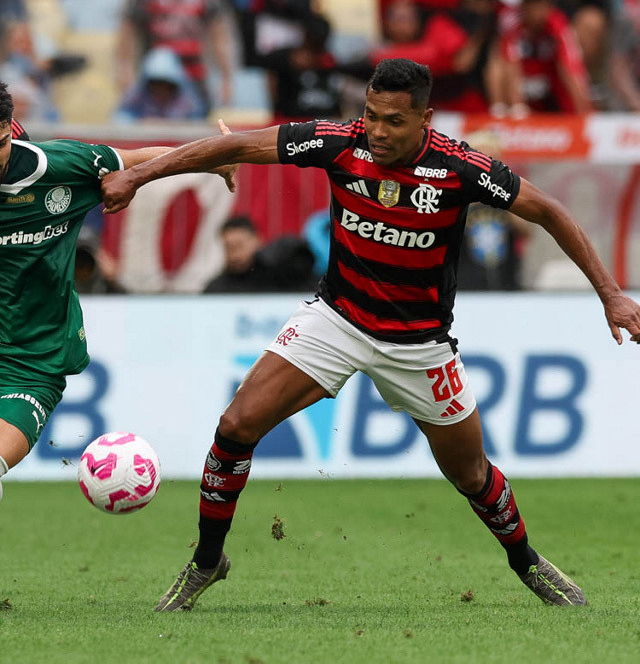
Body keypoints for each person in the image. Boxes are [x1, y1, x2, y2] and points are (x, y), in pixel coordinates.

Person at [101, 58, 640, 612]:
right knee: (236, 426)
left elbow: (548, 210)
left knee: (471, 474)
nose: (378, 131)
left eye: (394, 121)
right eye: (371, 115)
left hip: (420, 345)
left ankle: (526, 561)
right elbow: (237, 145)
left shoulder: (460, 167)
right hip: (338, 321)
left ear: (425, 119)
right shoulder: (340, 142)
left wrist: (611, 295)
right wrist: (139, 175)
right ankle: (207, 560)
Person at [0, 81, 236, 502]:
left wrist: (214, 159)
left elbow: (138, 160)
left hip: (30, 360)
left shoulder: (56, 167)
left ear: (9, 130)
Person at [116, 0, 233, 117]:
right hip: (156, 73)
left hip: (193, 72)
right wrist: (125, 70)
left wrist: (225, 78)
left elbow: (218, 33)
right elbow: (128, 30)